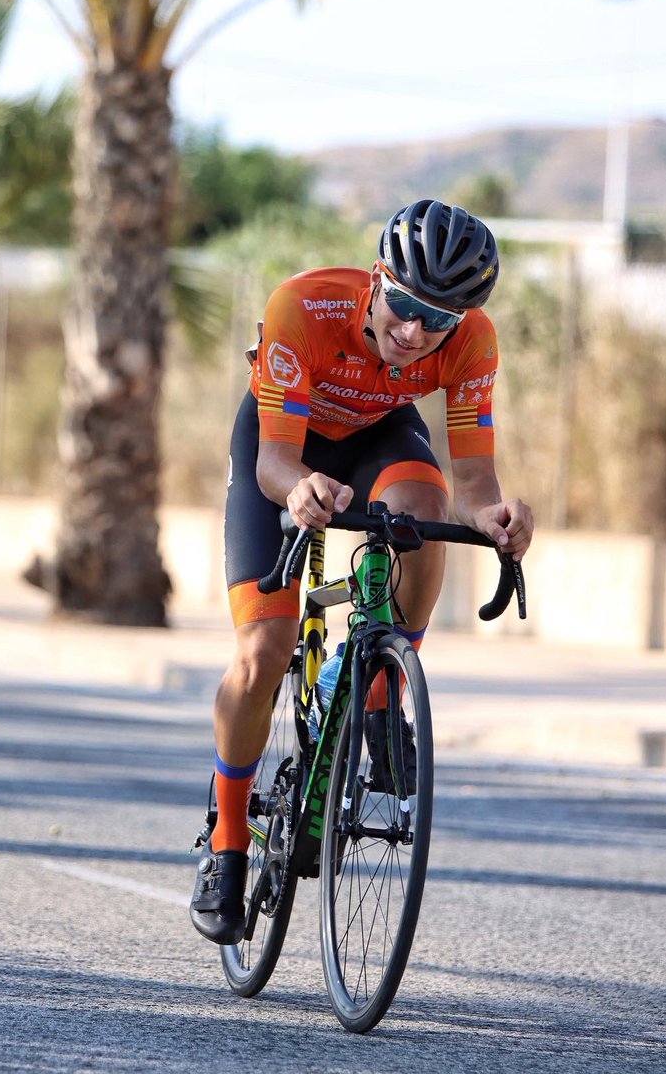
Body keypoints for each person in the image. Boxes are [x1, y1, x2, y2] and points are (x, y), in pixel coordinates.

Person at [190, 198, 534, 945]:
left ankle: (379, 684)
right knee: (261, 655)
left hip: (379, 435)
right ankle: (226, 844)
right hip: (283, 442)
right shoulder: (303, 306)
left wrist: (495, 515)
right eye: (403, 306)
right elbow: (274, 463)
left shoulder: (471, 341)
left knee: (426, 502)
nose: (413, 333)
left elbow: (474, 479)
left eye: (436, 320)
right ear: (376, 280)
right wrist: (299, 488)